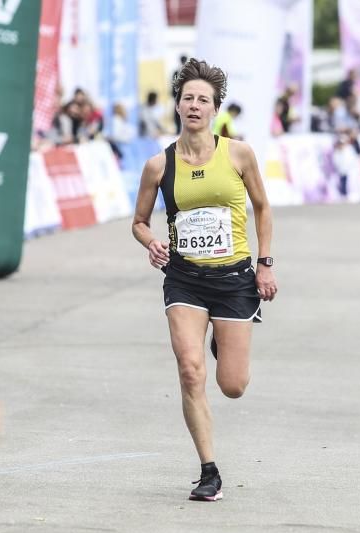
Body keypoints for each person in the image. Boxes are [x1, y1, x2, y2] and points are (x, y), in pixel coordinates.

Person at [130, 58, 277, 502]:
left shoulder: (238, 153)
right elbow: (138, 222)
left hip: (234, 279)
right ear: (177, 104)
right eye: (188, 98)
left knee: (232, 385)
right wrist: (151, 241)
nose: (194, 105)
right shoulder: (159, 166)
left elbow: (263, 208)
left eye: (203, 100)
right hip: (184, 280)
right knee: (191, 370)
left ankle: (224, 338)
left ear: (215, 109)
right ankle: (208, 470)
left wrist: (265, 262)